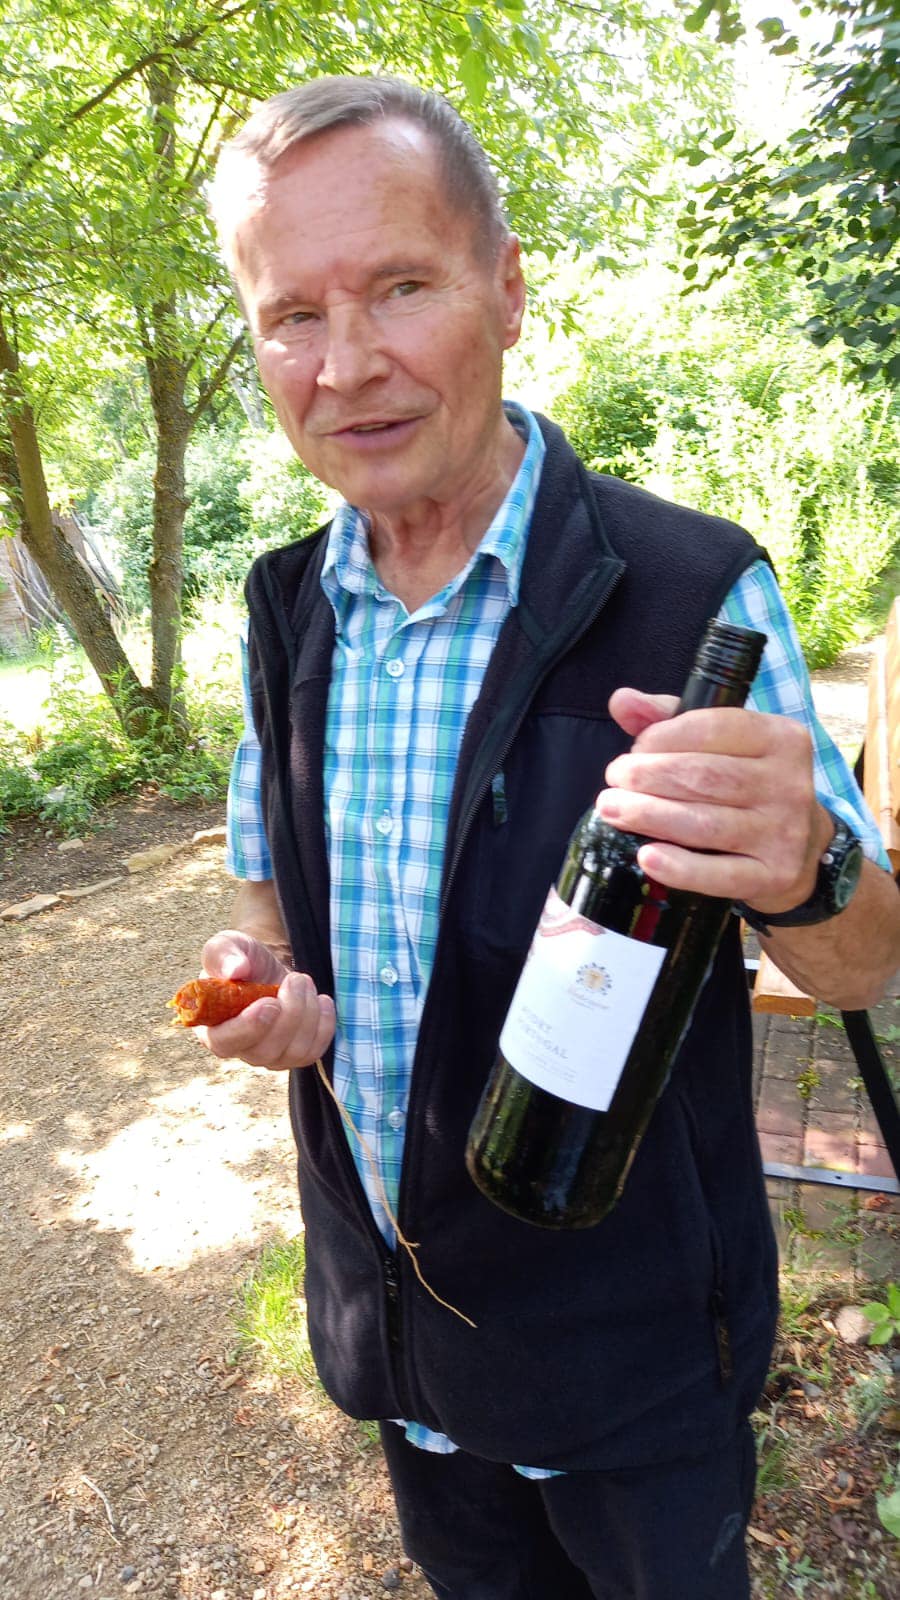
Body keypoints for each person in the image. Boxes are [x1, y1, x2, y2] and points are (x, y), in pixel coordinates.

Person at [200, 76, 900, 1600]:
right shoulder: (282, 606)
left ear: (509, 291)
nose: (347, 365)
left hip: (632, 1368)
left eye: (400, 287)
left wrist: (811, 863)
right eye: (292, 316)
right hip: (401, 1339)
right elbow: (267, 893)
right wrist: (265, 986)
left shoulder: (692, 593)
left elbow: (860, 968)